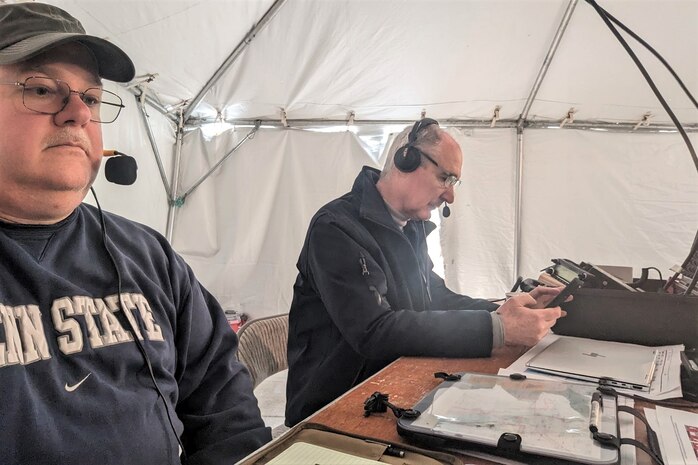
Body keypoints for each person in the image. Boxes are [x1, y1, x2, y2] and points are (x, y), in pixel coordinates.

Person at [0, 3, 270, 464]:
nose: (78, 114)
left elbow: (227, 413)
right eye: (43, 89)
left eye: (91, 98)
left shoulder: (149, 256)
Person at [285, 118, 565, 426]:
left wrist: (504, 312)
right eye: (445, 178)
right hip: (333, 406)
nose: (450, 196)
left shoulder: (410, 226)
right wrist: (498, 330)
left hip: (391, 386)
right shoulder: (336, 228)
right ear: (407, 160)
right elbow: (374, 331)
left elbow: (434, 297)